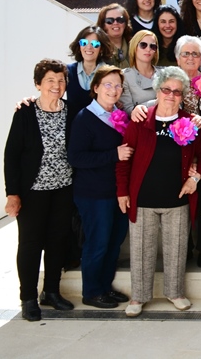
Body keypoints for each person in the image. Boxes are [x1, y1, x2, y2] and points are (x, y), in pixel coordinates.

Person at [116, 67, 201, 316]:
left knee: (176, 250)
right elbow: (124, 160)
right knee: (141, 250)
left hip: (176, 199)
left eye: (177, 91)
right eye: (166, 90)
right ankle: (138, 297)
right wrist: (123, 191)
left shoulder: (189, 122)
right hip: (143, 197)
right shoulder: (140, 119)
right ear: (157, 90)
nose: (171, 95)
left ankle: (175, 293)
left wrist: (194, 179)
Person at [5, 59, 76, 321]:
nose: (56, 86)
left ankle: (52, 292)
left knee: (57, 241)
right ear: (38, 84)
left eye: (61, 80)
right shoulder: (25, 112)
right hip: (32, 191)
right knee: (31, 244)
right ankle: (28, 298)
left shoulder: (71, 111)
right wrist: (12, 193)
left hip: (63, 188)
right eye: (50, 81)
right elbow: (11, 156)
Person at [67, 66, 131, 312]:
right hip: (94, 194)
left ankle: (105, 286)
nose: (113, 90)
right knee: (98, 242)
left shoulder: (120, 116)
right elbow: (77, 157)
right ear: (95, 88)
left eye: (117, 85)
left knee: (114, 242)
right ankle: (92, 291)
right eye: (107, 84)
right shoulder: (85, 118)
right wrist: (113, 154)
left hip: (117, 192)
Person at [66, 26, 112, 114]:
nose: (89, 47)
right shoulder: (68, 71)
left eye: (95, 44)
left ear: (101, 48)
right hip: (73, 125)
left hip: (99, 125)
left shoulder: (110, 73)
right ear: (79, 46)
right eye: (84, 43)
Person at [119, 30, 159, 115]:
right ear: (134, 47)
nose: (148, 49)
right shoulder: (124, 76)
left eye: (153, 46)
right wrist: (157, 102)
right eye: (143, 45)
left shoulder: (164, 74)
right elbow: (128, 110)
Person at [97, 3, 132, 68]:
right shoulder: (98, 49)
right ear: (103, 25)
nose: (115, 23)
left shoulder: (136, 47)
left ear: (125, 23)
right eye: (109, 21)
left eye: (120, 20)